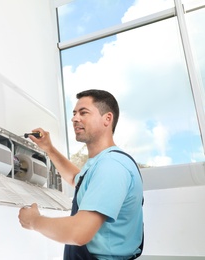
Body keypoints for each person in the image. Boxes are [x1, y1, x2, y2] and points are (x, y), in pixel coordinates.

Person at [18, 89, 143, 259]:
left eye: (83, 113)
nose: (75, 118)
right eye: (74, 113)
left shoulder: (111, 166)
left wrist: (34, 221)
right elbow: (75, 179)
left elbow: (79, 233)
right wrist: (49, 148)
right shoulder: (100, 163)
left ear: (107, 119)